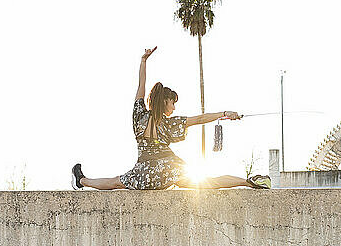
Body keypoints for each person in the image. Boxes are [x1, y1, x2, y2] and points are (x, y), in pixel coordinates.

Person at [71, 46, 271, 190]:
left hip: (146, 173)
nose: (174, 107)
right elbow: (200, 119)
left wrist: (143, 61)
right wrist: (224, 114)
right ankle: (249, 182)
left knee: (116, 182)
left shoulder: (139, 115)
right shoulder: (168, 123)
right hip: (167, 170)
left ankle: (82, 181)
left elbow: (141, 84)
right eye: (172, 102)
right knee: (208, 182)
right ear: (164, 101)